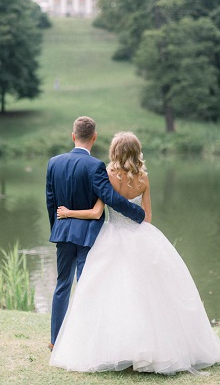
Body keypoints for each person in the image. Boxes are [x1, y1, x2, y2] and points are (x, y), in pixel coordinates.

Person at [49, 131, 220, 374]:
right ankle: (150, 348)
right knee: (149, 294)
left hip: (110, 237)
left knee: (108, 293)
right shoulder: (143, 178)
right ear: (136, 151)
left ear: (114, 152)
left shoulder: (108, 175)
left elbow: (96, 212)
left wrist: (68, 213)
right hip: (141, 236)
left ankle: (115, 348)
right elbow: (148, 217)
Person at [45, 116, 146, 351]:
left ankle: (55, 340)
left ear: (73, 136)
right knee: (86, 285)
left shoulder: (54, 163)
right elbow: (111, 198)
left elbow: (50, 201)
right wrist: (138, 215)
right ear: (94, 137)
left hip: (62, 232)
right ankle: (83, 340)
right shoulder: (95, 166)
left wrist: (57, 228)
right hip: (88, 236)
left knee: (62, 285)